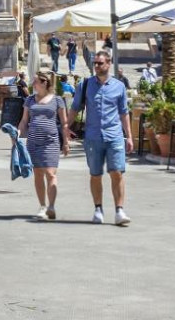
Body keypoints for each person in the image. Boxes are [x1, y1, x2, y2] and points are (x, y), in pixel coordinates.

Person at [70, 50, 134, 226]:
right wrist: (66, 127)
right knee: (95, 174)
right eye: (95, 63)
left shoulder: (119, 86)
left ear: (108, 64)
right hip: (92, 137)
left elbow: (124, 113)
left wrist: (129, 136)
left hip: (114, 136)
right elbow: (75, 107)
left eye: (99, 63)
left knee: (117, 173)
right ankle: (98, 209)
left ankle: (119, 210)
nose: (96, 66)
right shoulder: (85, 85)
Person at [19, 70, 71, 221]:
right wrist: (17, 133)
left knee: (50, 173)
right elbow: (24, 120)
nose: (33, 84)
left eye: (35, 82)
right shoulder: (29, 100)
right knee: (38, 174)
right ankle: (42, 206)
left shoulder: (57, 100)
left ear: (44, 83)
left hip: (51, 142)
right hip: (33, 142)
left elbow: (64, 123)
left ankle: (51, 206)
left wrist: (66, 142)